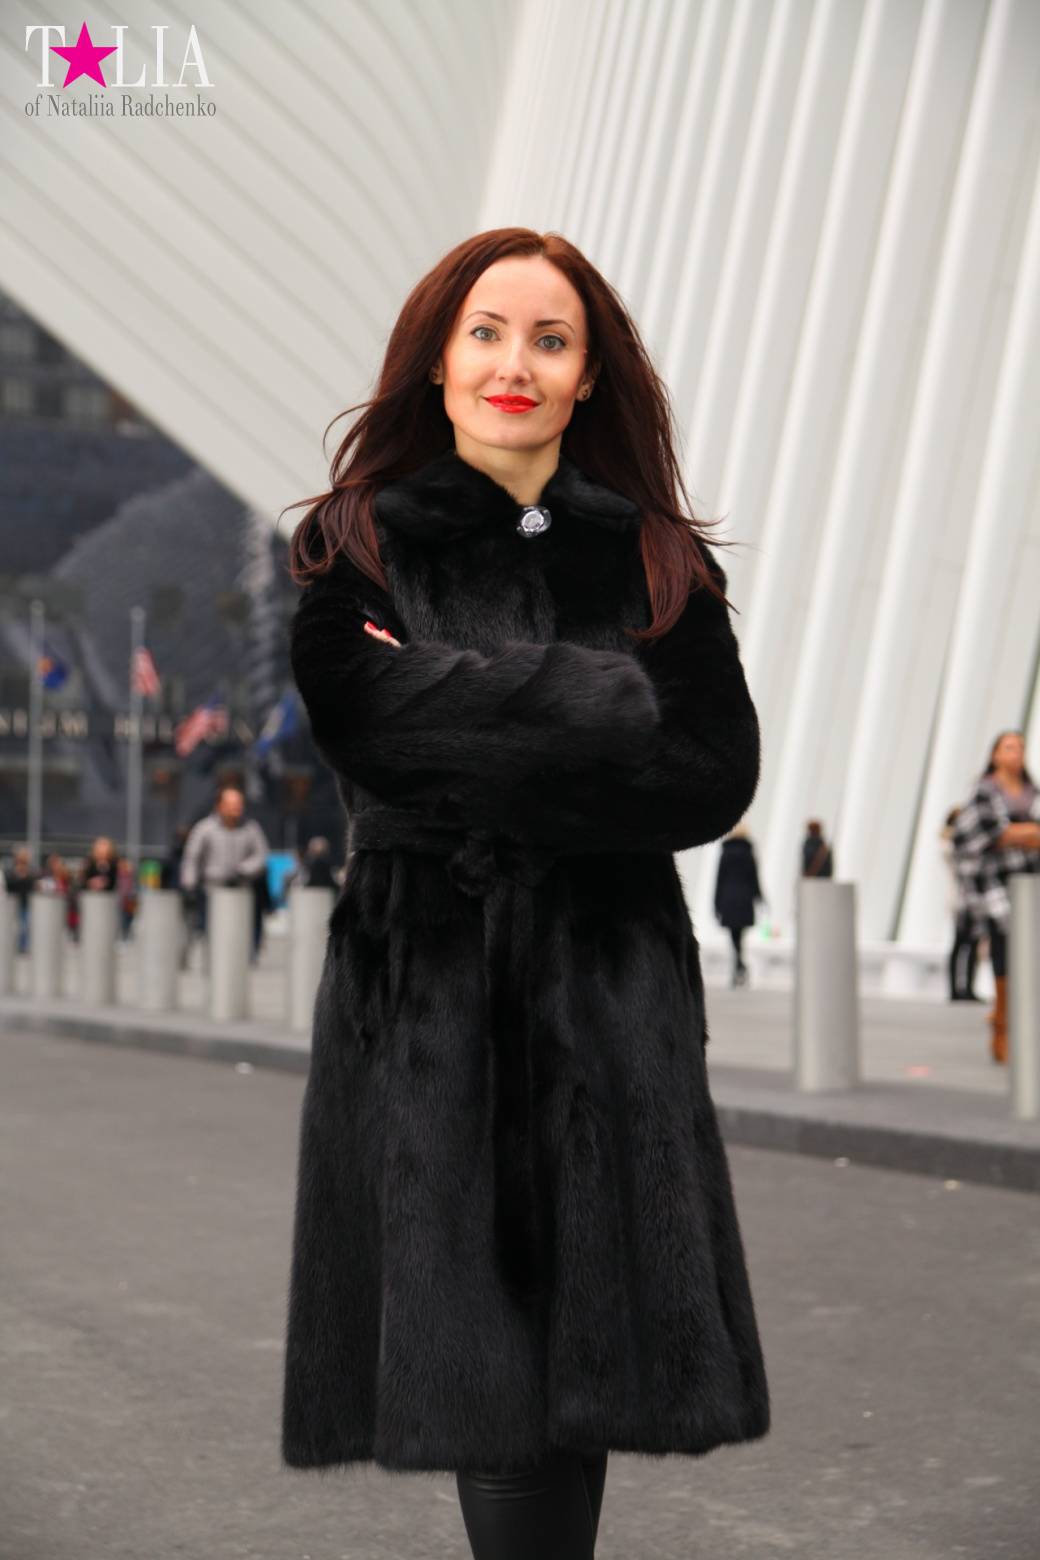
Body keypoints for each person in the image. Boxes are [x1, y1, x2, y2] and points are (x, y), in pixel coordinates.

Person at [281, 228, 769, 1559]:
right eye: (487, 332)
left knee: (581, 1363)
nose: (516, 362)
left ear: (588, 379)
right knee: (487, 1359)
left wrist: (479, 722)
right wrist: (606, 705)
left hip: (610, 999)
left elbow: (713, 775)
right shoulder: (353, 540)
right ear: (438, 362)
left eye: (550, 339)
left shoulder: (659, 558)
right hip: (431, 993)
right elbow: (371, 738)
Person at [953, 731, 1040, 1062]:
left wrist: (1015, 834)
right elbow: (983, 833)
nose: (1015, 753)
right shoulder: (985, 791)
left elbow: (1010, 834)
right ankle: (1001, 1026)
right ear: (994, 755)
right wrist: (1027, 832)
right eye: (1008, 747)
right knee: (1004, 948)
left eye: (1020, 747)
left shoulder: (1031, 792)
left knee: (1029, 951)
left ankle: (1019, 1024)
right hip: (994, 882)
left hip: (1030, 880)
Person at [180, 787, 269, 953]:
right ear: (219, 806)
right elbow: (191, 858)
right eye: (232, 805)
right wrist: (189, 885)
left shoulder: (250, 828)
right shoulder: (205, 828)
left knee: (241, 934)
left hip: (242, 891)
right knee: (210, 931)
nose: (237, 809)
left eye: (239, 805)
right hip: (211, 891)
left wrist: (243, 871)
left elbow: (261, 855)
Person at [715, 826, 763, 986]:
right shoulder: (749, 855)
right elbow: (754, 879)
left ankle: (738, 966)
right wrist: (759, 898)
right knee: (740, 934)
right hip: (744, 898)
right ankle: (740, 965)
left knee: (733, 935)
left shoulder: (725, 854)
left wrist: (716, 903)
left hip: (728, 898)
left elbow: (719, 880)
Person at [941, 808, 979, 1001]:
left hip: (975, 899)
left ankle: (968, 988)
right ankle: (955, 989)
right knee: (960, 943)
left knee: (974, 943)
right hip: (961, 900)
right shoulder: (949, 843)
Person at [4, 846, 35, 953]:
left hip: (25, 902)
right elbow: (8, 885)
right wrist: (17, 876)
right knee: (12, 925)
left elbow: (32, 885)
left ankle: (22, 946)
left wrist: (25, 876)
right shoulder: (12, 869)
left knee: (25, 925)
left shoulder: (29, 869)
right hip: (13, 902)